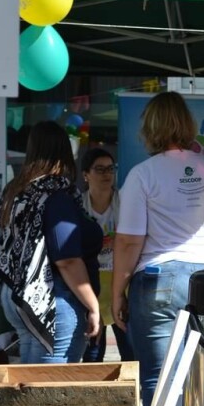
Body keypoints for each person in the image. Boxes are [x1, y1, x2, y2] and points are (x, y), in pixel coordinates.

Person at [112, 92, 204, 406]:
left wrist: (117, 293)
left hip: (159, 279)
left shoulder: (142, 175)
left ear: (149, 130)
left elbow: (128, 241)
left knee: (159, 379)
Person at [0, 121, 102, 363]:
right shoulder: (55, 195)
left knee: (30, 378)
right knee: (50, 385)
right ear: (64, 152)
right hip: (51, 298)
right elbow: (67, 259)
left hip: (17, 295)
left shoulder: (16, 193)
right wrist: (93, 305)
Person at [80, 148, 135, 363]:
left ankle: (134, 393)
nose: (106, 174)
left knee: (130, 350)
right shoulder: (77, 204)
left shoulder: (126, 202)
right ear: (86, 174)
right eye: (99, 169)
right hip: (90, 283)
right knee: (93, 352)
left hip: (121, 281)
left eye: (110, 169)